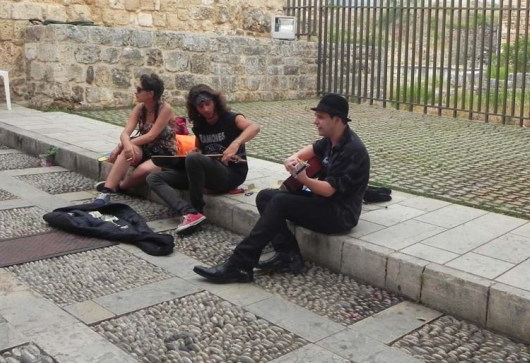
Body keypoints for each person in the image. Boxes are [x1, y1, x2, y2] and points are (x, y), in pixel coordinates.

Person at [194, 93, 370, 283]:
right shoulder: (330, 139)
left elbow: (329, 190)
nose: (315, 121)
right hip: (324, 203)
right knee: (265, 197)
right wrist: (293, 159)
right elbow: (311, 149)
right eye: (316, 116)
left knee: (280, 200)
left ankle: (239, 263)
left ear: (337, 120)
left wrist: (304, 179)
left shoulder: (352, 149)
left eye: (320, 117)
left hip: (340, 214)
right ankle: (288, 255)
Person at [147, 84, 260, 235]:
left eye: (208, 104)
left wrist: (235, 143)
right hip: (205, 174)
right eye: (201, 106)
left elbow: (255, 127)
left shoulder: (232, 118)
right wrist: (196, 151)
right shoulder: (199, 125)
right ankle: (189, 212)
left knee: (194, 159)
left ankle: (196, 209)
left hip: (231, 174)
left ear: (215, 101)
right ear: (195, 109)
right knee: (153, 177)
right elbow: (199, 149)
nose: (206, 109)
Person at [96, 73, 176, 204]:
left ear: (150, 93)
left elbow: (151, 136)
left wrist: (123, 145)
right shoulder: (140, 108)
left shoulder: (165, 109)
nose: (135, 92)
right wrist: (125, 145)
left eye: (139, 90)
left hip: (164, 153)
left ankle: (121, 186)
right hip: (146, 148)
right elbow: (125, 133)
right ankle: (106, 191)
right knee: (129, 151)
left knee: (142, 170)